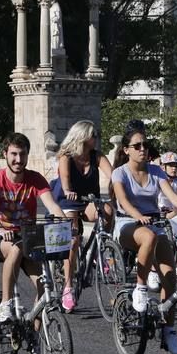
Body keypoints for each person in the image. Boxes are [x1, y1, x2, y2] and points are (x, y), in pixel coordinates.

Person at [111, 128, 177, 354]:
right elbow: (123, 201)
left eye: (145, 145)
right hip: (127, 224)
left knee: (170, 276)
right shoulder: (120, 174)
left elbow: (172, 197)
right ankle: (141, 288)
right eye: (137, 146)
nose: (143, 149)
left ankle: (169, 331)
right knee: (149, 237)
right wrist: (137, 216)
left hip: (152, 223)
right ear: (126, 150)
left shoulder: (156, 172)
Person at [0, 132, 67, 327]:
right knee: (16, 248)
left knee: (45, 288)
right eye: (14, 154)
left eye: (22, 154)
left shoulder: (35, 179)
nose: (18, 159)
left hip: (28, 237)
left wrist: (66, 225)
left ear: (28, 155)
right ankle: (5, 302)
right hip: (1, 236)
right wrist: (0, 228)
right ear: (5, 154)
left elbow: (52, 205)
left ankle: (35, 334)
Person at [51, 120, 113, 312]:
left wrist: (120, 188)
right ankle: (68, 287)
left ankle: (98, 251)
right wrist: (69, 190)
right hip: (67, 200)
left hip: (88, 201)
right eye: (94, 135)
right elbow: (65, 180)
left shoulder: (97, 156)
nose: (97, 139)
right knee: (73, 239)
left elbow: (114, 176)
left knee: (109, 210)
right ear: (83, 137)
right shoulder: (66, 157)